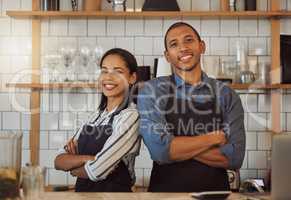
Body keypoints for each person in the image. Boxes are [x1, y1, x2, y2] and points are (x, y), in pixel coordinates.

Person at [137, 22, 246, 192]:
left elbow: (234, 158)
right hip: (165, 196)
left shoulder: (227, 95)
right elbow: (159, 152)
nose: (183, 48)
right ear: (167, 56)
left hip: (215, 195)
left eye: (189, 40)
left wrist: (175, 145)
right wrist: (213, 139)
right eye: (174, 44)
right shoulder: (152, 91)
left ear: (201, 46)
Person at [54, 48, 141, 192]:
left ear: (132, 77)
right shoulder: (95, 117)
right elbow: (58, 160)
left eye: (118, 71)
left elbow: (96, 171)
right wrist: (91, 159)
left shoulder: (130, 116)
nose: (108, 77)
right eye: (104, 70)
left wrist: (74, 167)